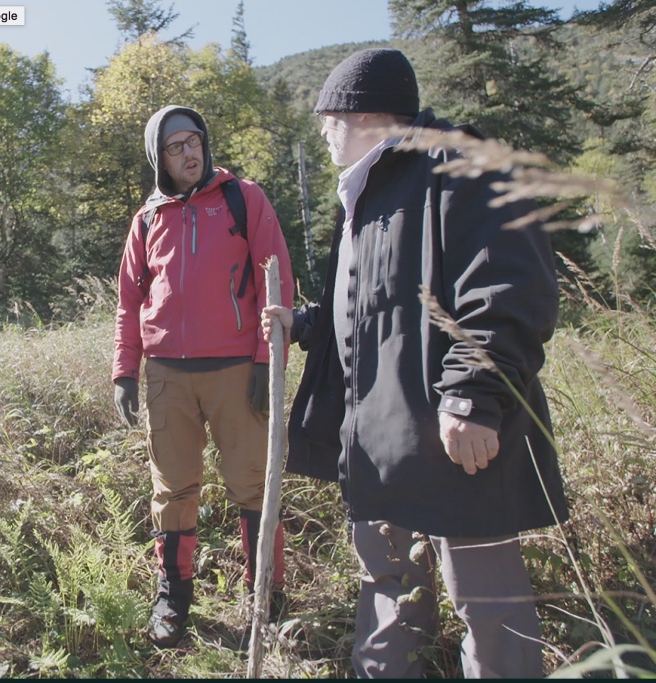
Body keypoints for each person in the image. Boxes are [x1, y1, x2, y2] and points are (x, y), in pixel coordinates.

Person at [262, 48, 568, 678]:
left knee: (489, 604)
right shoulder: (368, 197)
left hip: (456, 438)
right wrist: (308, 323)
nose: (322, 132)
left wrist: (473, 395)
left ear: (361, 113)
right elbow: (374, 306)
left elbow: (509, 290)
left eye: (327, 118)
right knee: (388, 584)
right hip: (380, 441)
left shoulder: (460, 166)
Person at [112, 105, 295, 648]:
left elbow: (276, 281)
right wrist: (125, 370)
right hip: (167, 375)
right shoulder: (148, 219)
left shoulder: (244, 198)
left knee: (254, 485)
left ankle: (267, 597)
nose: (189, 152)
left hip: (237, 371)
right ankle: (174, 598)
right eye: (175, 146)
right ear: (158, 159)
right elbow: (129, 301)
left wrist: (268, 360)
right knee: (172, 491)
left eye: (194, 141)